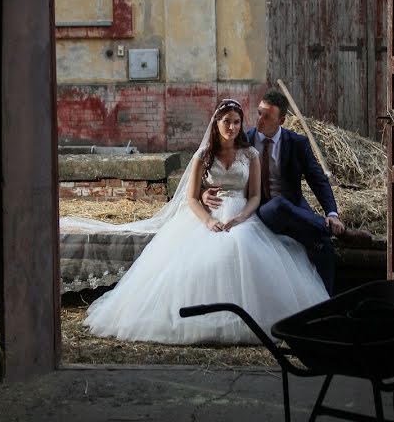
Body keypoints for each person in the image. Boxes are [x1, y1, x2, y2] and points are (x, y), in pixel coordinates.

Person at [82, 98, 329, 344]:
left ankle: (250, 317)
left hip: (245, 213)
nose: (232, 127)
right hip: (209, 214)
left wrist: (243, 216)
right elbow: (191, 196)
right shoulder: (205, 154)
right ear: (216, 123)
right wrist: (208, 218)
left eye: (236, 122)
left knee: (242, 244)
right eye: (226, 121)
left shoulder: (252, 152)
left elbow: (256, 195)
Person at [202, 90, 371, 295]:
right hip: (258, 208)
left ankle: (326, 301)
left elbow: (317, 179)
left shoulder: (297, 143)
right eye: (259, 113)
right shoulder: (244, 140)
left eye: (267, 116)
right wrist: (204, 194)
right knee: (277, 205)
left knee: (322, 244)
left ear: (281, 120)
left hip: (293, 206)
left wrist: (332, 214)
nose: (260, 120)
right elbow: (215, 168)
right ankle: (342, 234)